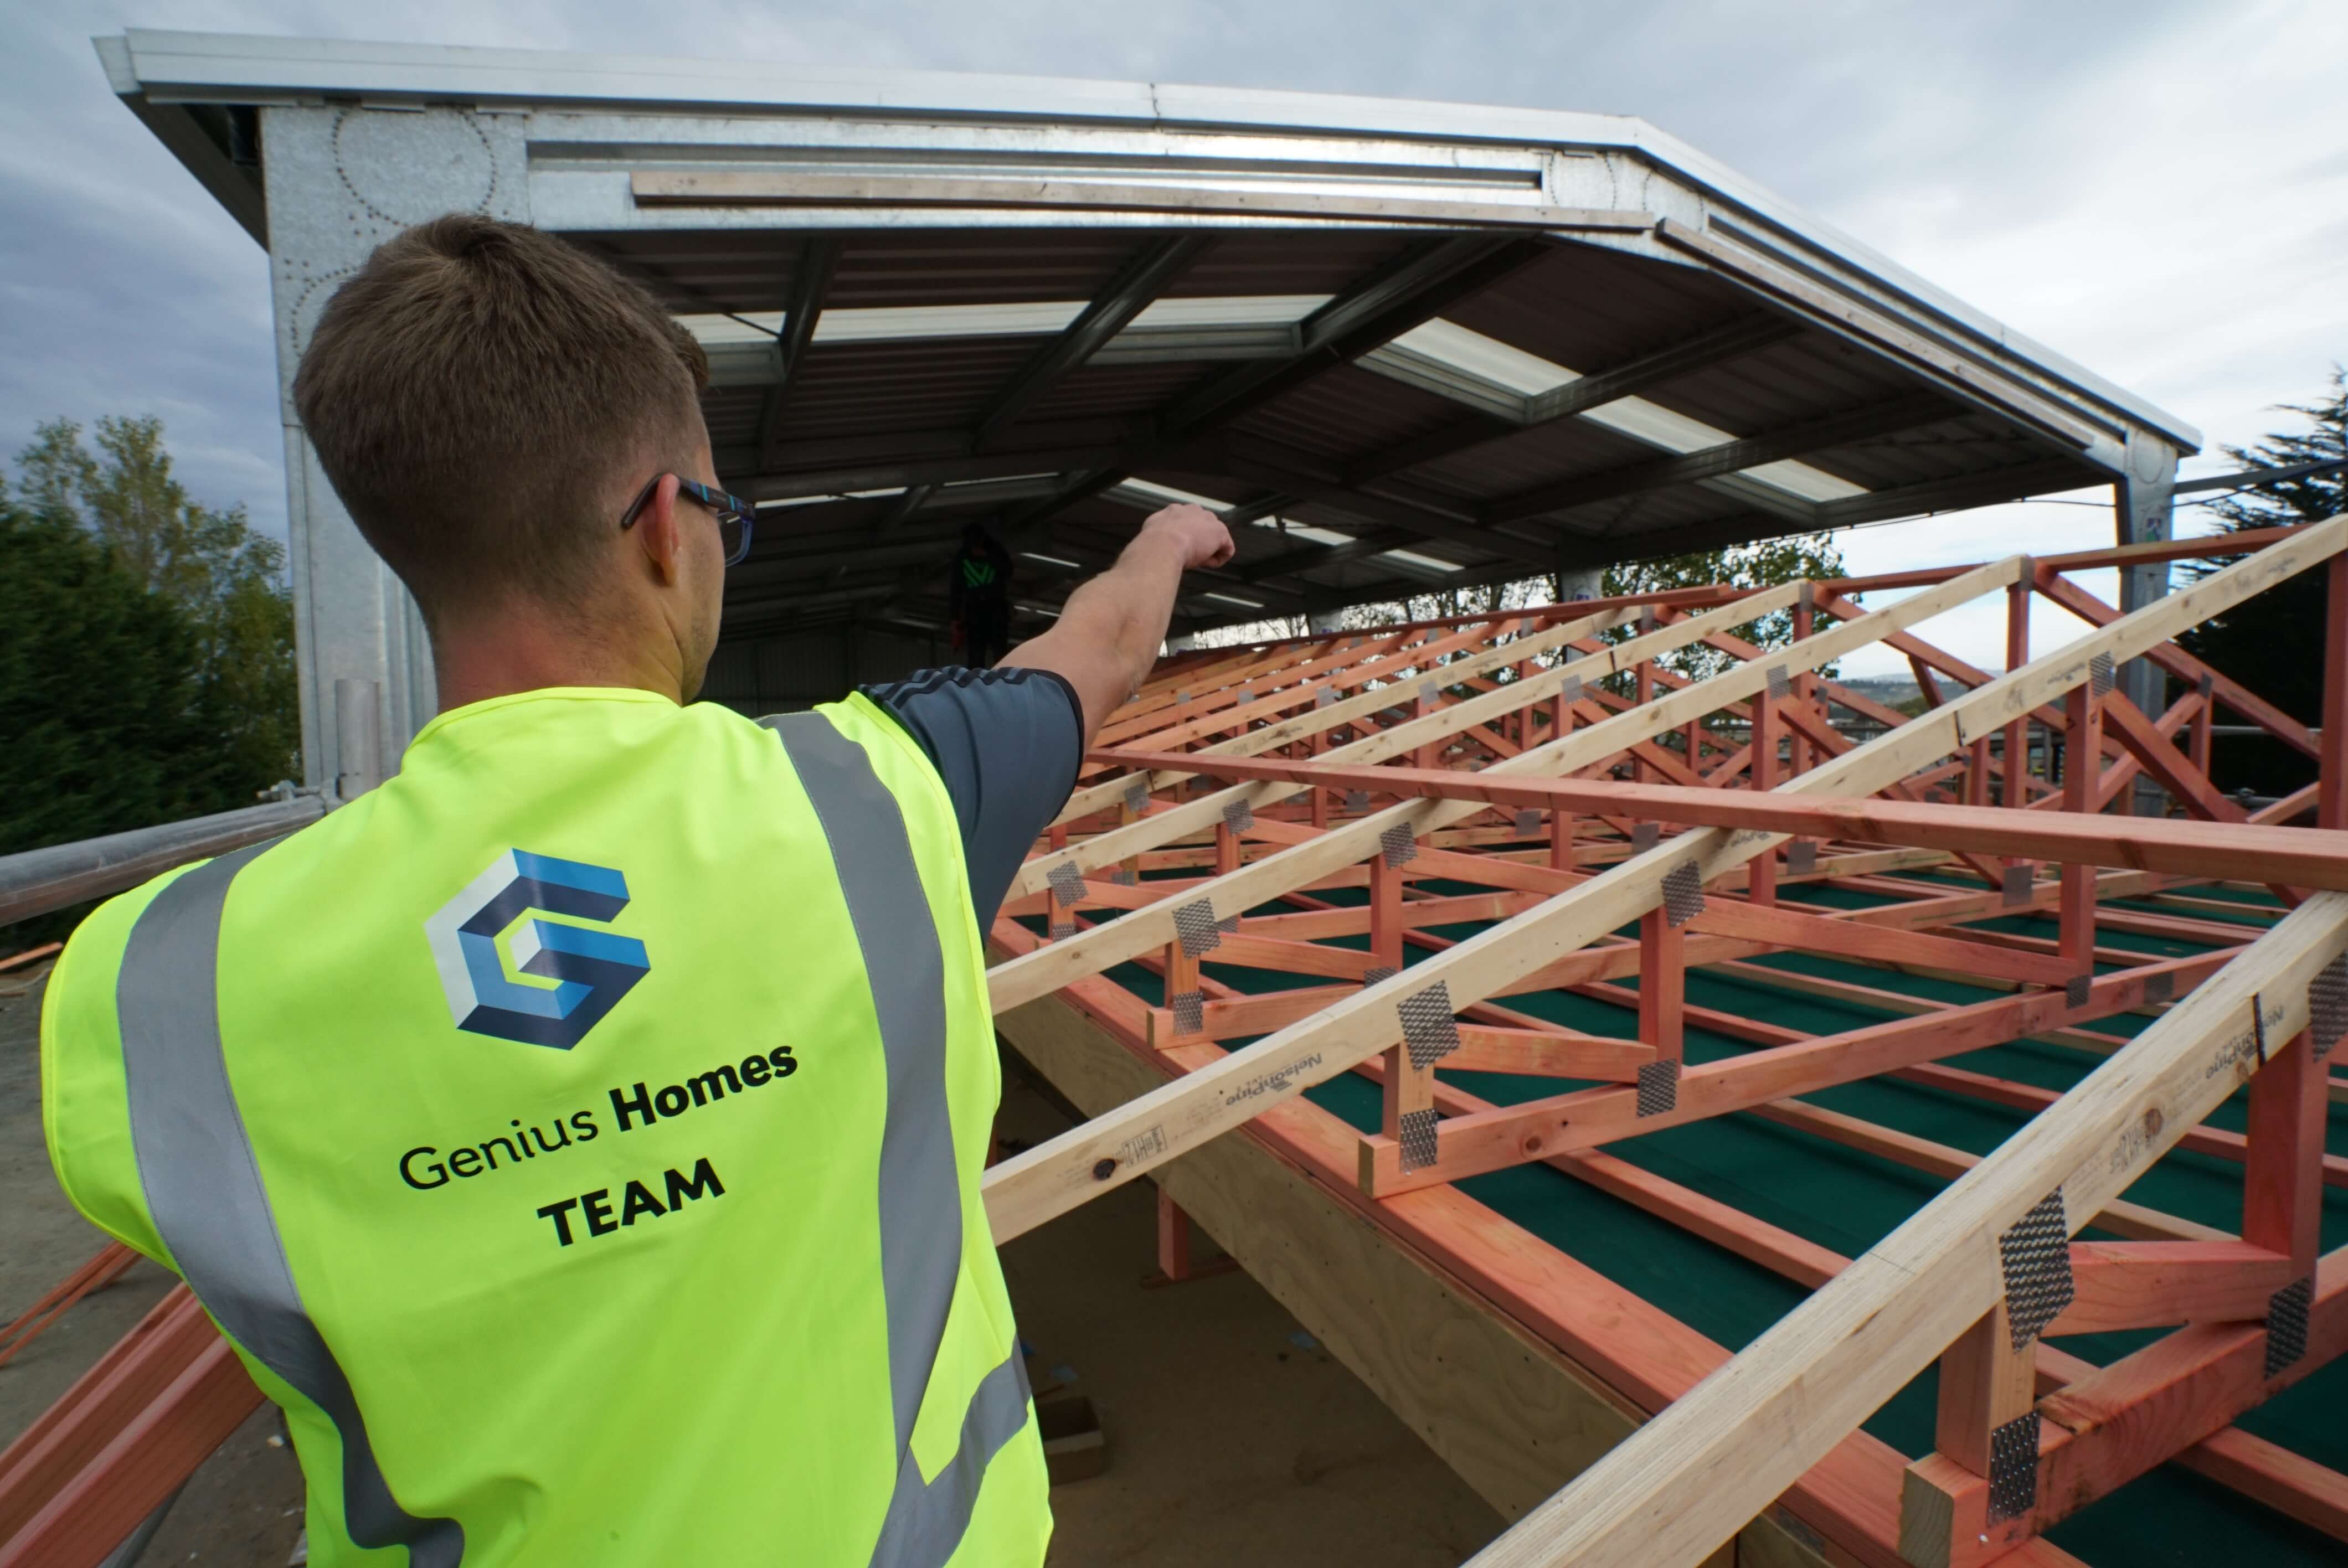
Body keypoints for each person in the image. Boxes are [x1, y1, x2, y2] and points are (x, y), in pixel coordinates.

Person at [39, 214, 1232, 1568]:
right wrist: (1167, 537)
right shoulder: (875, 798)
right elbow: (1100, 649)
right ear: (669, 525)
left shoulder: (154, 983)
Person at [948, 522, 1016, 667]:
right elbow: (956, 588)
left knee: (1000, 648)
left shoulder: (996, 551)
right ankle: (975, 682)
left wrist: (987, 556)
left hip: (996, 606)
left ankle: (1003, 678)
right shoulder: (961, 558)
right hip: (974, 608)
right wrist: (955, 617)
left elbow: (1008, 570)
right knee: (975, 652)